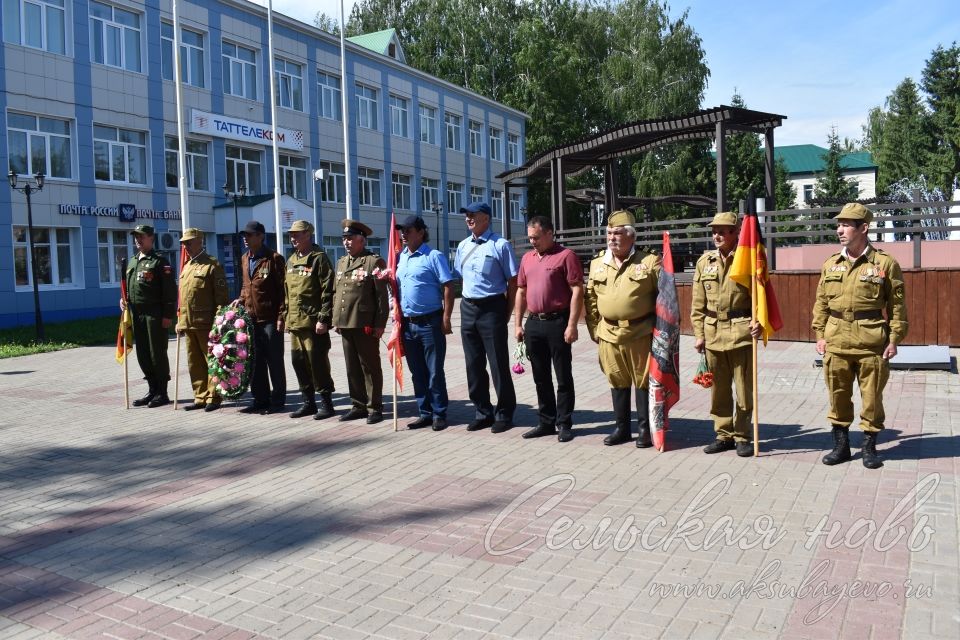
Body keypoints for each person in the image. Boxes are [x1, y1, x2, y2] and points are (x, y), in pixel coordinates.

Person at [812, 203, 908, 469]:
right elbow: (821, 302)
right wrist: (819, 334)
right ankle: (841, 446)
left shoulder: (885, 264)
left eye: (846, 225)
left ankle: (869, 447)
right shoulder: (831, 264)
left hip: (871, 343)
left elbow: (897, 306)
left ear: (863, 228)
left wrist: (894, 339)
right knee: (838, 396)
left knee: (871, 399)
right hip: (837, 341)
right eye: (838, 225)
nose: (839, 230)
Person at [584, 210, 660, 447]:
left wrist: (662, 333)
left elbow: (665, 299)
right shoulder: (598, 263)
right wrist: (595, 329)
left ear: (631, 236)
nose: (612, 238)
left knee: (643, 381)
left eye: (617, 233)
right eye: (608, 233)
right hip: (608, 333)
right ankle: (621, 428)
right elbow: (590, 299)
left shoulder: (649, 262)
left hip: (639, 332)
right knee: (616, 379)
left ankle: (644, 430)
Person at [690, 212, 763, 456]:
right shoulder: (705, 262)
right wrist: (699, 334)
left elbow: (761, 297)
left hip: (741, 333)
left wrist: (759, 322)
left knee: (744, 390)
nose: (717, 236)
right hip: (713, 334)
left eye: (722, 231)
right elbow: (697, 304)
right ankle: (724, 435)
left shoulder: (749, 260)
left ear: (735, 233)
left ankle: (742, 436)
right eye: (714, 231)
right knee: (718, 390)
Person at [514, 215, 583, 443]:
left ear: (549, 233)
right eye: (530, 237)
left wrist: (572, 324)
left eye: (536, 237)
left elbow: (577, 291)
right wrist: (517, 324)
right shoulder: (527, 258)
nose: (532, 241)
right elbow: (521, 292)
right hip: (533, 323)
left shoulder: (566, 256)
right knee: (540, 376)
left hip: (558, 323)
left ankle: (564, 423)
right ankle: (545, 421)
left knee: (563, 376)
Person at [453, 202, 519, 433]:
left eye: (472, 215)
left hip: (492, 308)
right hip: (468, 307)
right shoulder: (462, 246)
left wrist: (507, 311)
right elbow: (462, 276)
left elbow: (513, 282)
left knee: (498, 364)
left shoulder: (500, 245)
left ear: (486, 218)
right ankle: (482, 411)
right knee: (473, 364)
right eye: (466, 215)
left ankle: (504, 413)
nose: (468, 219)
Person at [395, 215, 455, 431]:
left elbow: (448, 286)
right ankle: (425, 412)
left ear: (421, 232)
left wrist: (446, 318)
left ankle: (440, 413)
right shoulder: (400, 257)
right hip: (408, 324)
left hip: (430, 322)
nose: (403, 234)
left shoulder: (433, 256)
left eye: (408, 230)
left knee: (434, 371)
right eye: (402, 230)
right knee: (417, 371)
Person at [332, 219, 389, 424]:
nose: (346, 243)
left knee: (370, 366)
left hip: (365, 322)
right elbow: (336, 293)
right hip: (346, 322)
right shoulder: (340, 262)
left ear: (362, 240)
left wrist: (380, 324)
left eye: (350, 238)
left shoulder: (373, 262)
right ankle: (358, 405)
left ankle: (375, 407)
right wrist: (335, 318)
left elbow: (382, 297)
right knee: (352, 367)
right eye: (344, 239)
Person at [284, 219, 337, 419]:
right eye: (291, 235)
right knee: (298, 362)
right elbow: (287, 292)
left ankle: (326, 403)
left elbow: (328, 290)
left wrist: (323, 318)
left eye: (297, 234)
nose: (293, 238)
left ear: (308, 234)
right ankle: (308, 402)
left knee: (317, 363)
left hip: (313, 323)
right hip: (296, 322)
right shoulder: (291, 260)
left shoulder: (318, 258)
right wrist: (286, 318)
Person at [121, 224, 176, 408]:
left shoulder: (160, 261)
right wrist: (123, 301)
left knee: (157, 353)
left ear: (151, 238)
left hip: (155, 314)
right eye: (136, 237)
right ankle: (152, 389)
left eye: (141, 236)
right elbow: (129, 288)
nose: (138, 240)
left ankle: (162, 392)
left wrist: (168, 315)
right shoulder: (132, 261)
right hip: (136, 314)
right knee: (143, 354)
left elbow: (169, 292)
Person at [175, 228, 229, 411]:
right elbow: (183, 297)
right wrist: (180, 320)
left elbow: (221, 298)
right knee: (194, 362)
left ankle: (213, 397)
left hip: (207, 323)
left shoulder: (212, 265)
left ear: (200, 241)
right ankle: (200, 396)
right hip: (189, 323)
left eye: (189, 242)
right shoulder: (187, 267)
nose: (186, 246)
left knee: (211, 361)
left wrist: (219, 323)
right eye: (184, 243)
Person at [237, 220, 288, 415]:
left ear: (260, 236)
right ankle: (260, 399)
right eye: (244, 235)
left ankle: (277, 402)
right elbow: (246, 285)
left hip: (270, 319)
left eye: (249, 235)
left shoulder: (273, 258)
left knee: (274, 361)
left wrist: (282, 316)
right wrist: (240, 300)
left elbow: (283, 290)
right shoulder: (244, 258)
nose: (246, 238)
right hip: (251, 319)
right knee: (255, 361)